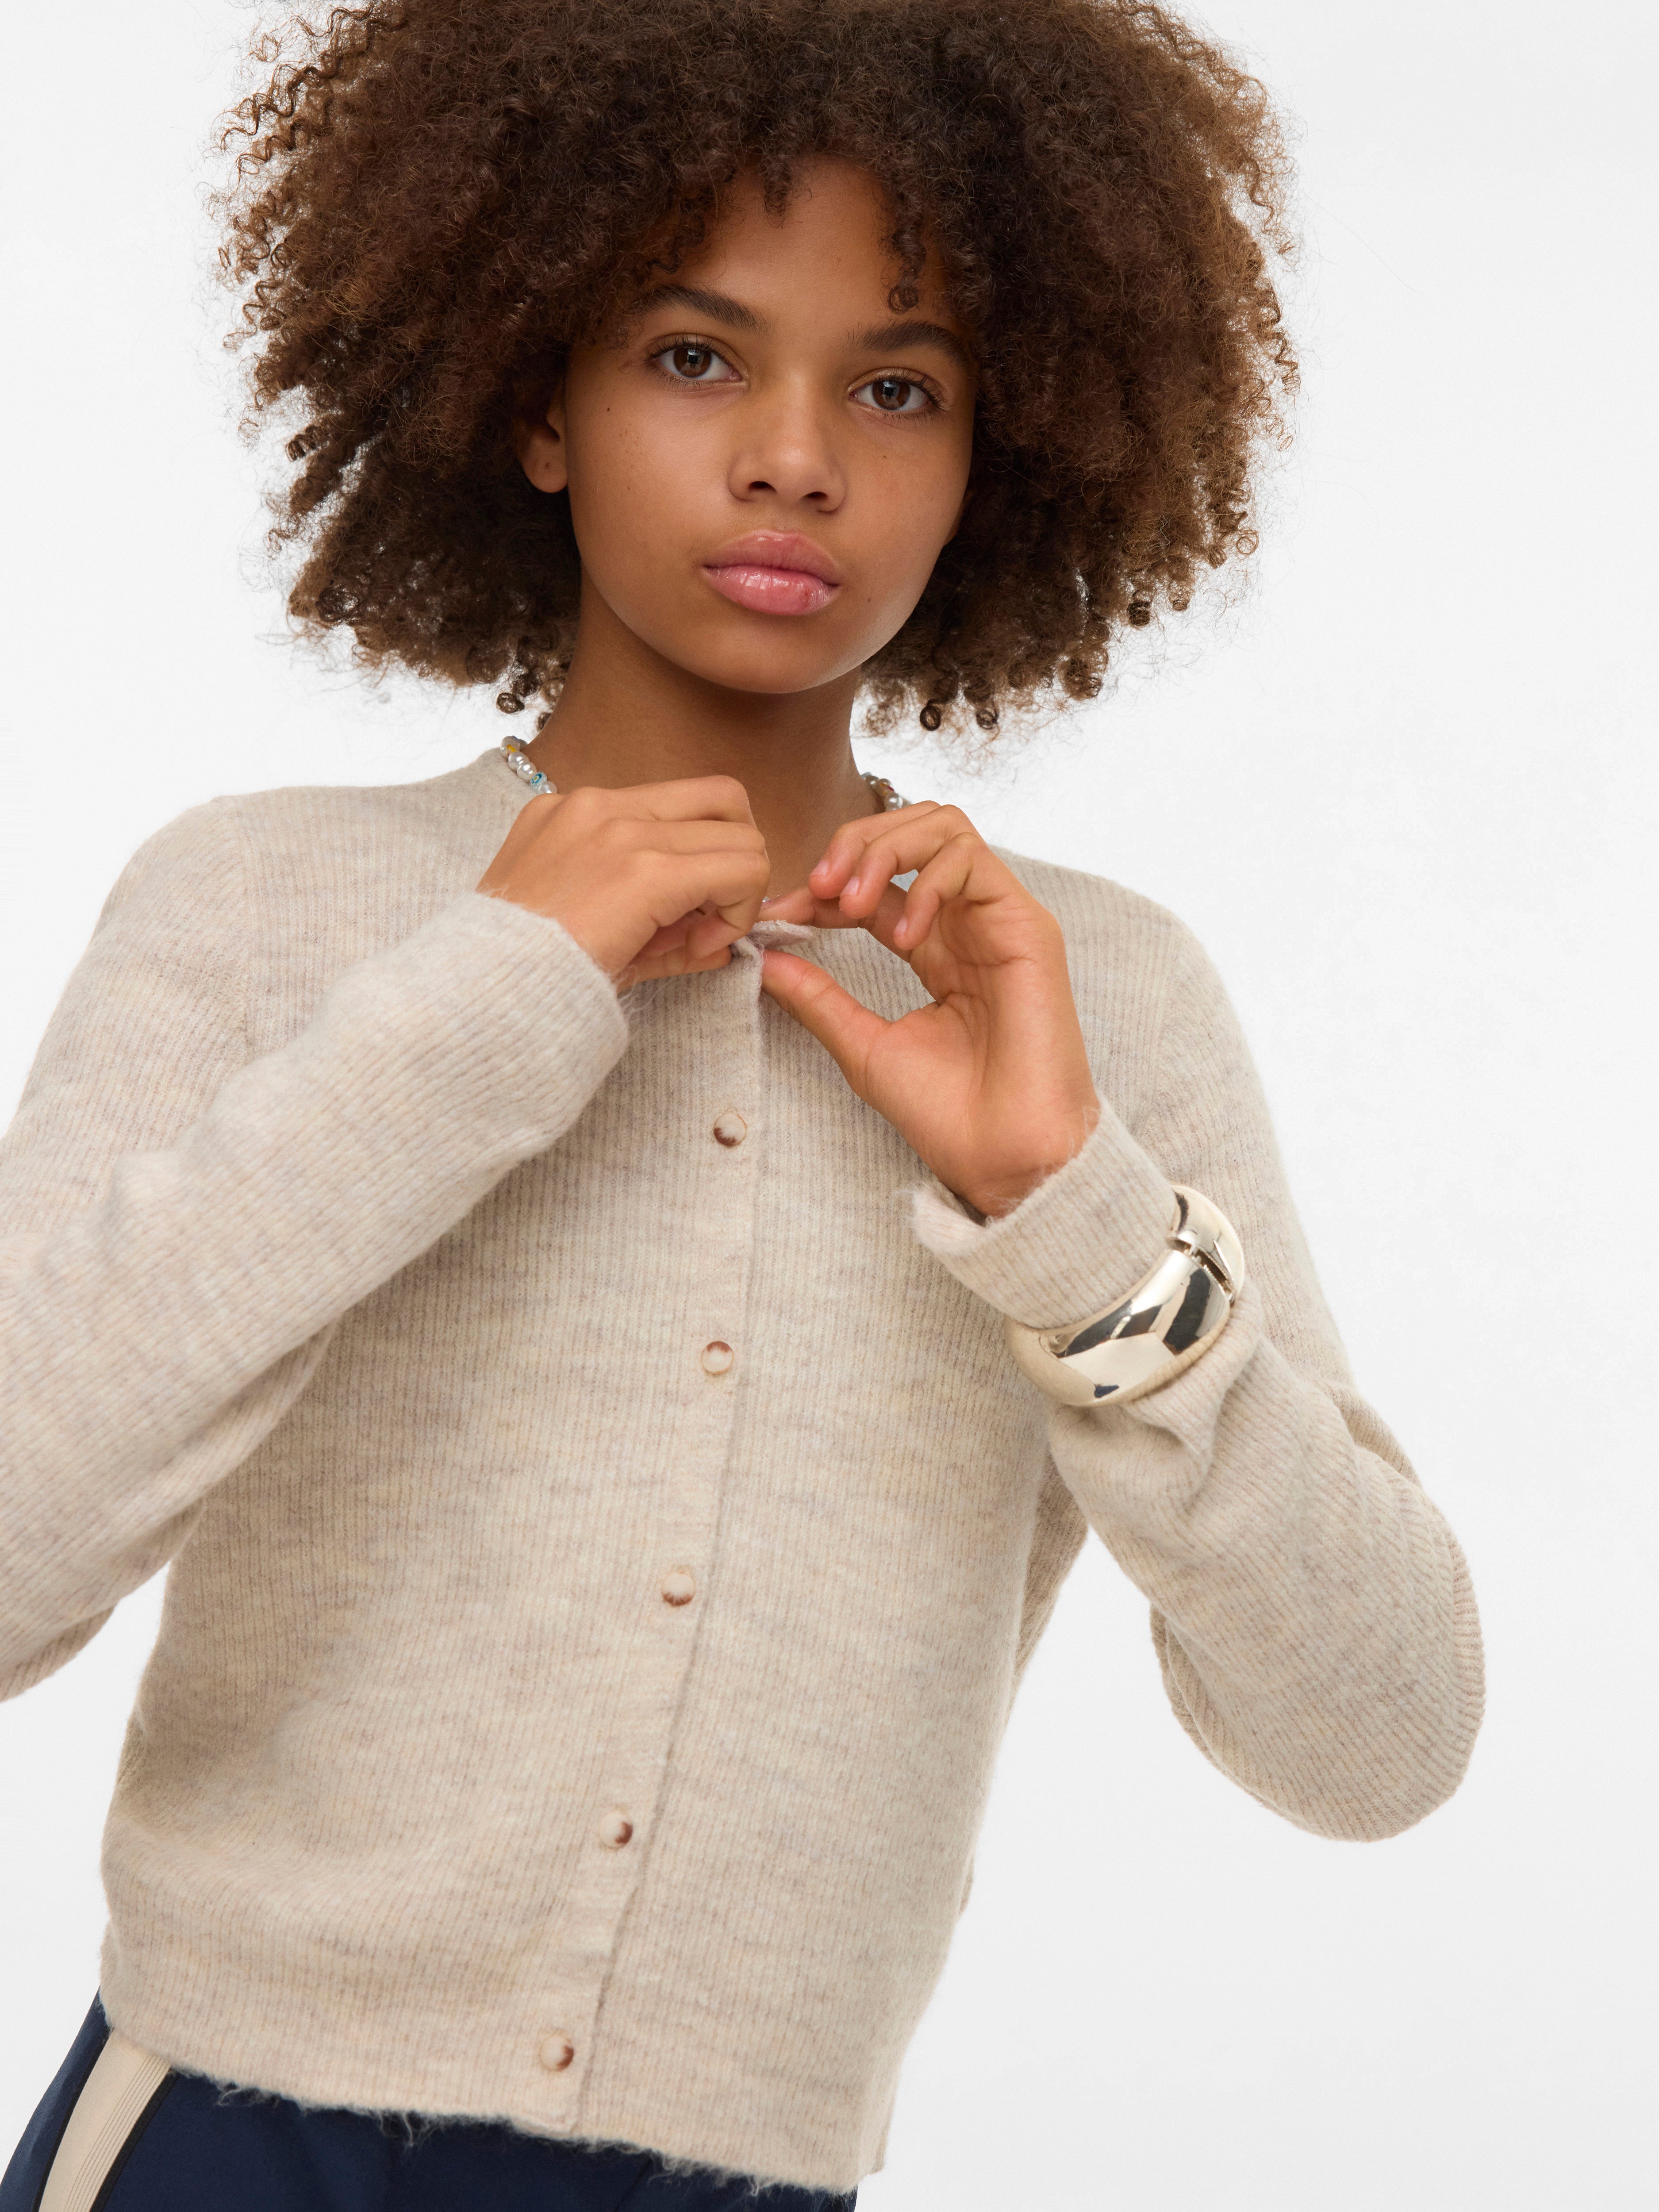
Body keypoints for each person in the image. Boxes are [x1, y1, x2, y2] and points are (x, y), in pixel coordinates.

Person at [0, 0, 1484, 2205]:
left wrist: (1076, 1223)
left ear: (995, 453)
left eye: (896, 386)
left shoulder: (1084, 1001)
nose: (796, 458)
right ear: (538, 399)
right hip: (224, 2139)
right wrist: (477, 1009)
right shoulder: (265, 900)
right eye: (694, 354)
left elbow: (1381, 1741)